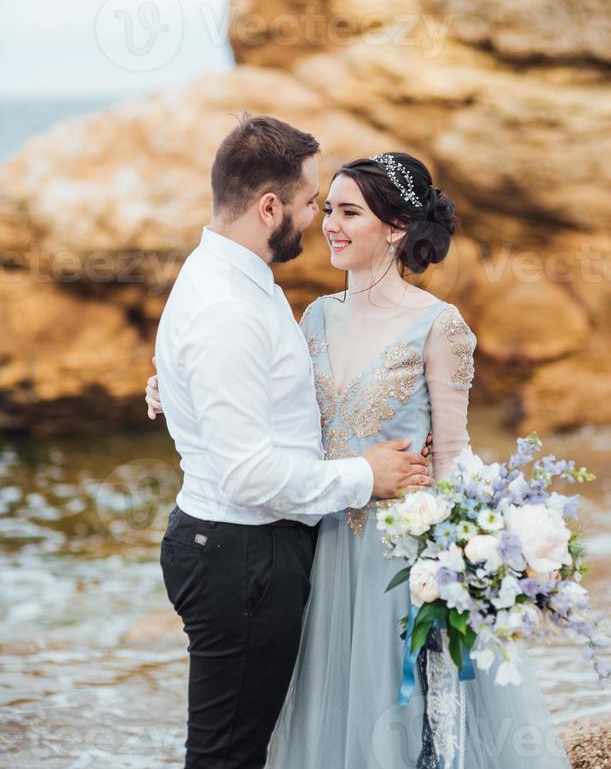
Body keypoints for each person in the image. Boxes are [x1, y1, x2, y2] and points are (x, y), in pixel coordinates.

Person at [148, 144, 572, 768]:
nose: (329, 225)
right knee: (321, 717)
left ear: (396, 229)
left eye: (349, 213)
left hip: (397, 561)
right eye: (328, 210)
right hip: (319, 548)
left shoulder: (440, 326)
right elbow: (267, 403)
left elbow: (452, 456)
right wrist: (173, 383)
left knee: (395, 724)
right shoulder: (314, 317)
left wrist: (460, 562)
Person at [148, 115, 434, 769]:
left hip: (237, 547)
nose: (317, 218)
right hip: (241, 553)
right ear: (268, 205)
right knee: (229, 755)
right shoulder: (229, 307)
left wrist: (176, 388)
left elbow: (242, 396)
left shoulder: (229, 277)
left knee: (243, 746)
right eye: (310, 203)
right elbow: (250, 475)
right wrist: (366, 475)